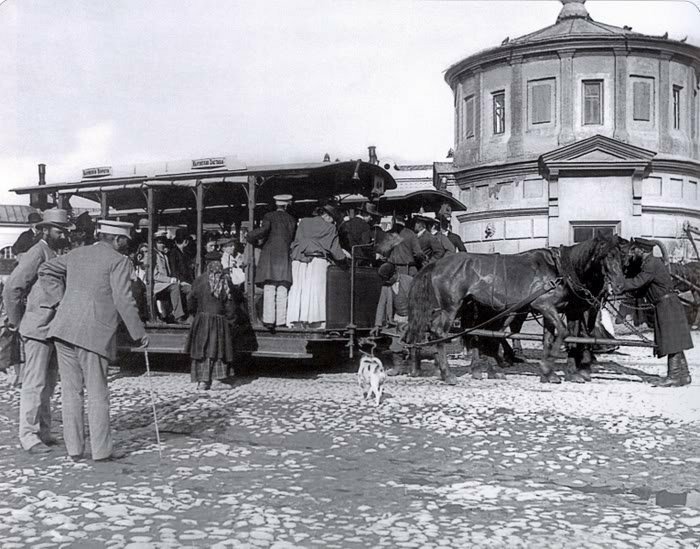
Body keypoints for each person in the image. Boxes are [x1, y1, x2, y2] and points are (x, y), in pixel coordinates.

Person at [38, 219, 148, 461]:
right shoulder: (119, 261)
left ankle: (74, 450)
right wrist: (138, 333)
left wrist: (60, 300)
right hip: (94, 333)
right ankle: (101, 452)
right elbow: (123, 300)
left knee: (71, 393)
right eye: (125, 241)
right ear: (117, 239)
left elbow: (45, 270)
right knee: (97, 393)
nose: (126, 245)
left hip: (63, 329)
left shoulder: (76, 253)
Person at [3, 209, 73, 454]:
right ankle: (28, 436)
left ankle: (44, 431)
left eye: (64, 230)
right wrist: (17, 321)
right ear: (45, 230)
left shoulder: (53, 252)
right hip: (36, 328)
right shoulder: (36, 253)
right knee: (34, 383)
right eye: (58, 230)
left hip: (53, 327)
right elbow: (12, 287)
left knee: (49, 383)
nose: (62, 234)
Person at [621, 237, 693, 387]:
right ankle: (684, 375)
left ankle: (673, 376)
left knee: (670, 340)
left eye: (636, 249)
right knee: (675, 339)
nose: (634, 252)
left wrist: (618, 284)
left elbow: (638, 282)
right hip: (667, 304)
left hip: (666, 305)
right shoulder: (649, 263)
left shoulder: (651, 264)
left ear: (643, 250)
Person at [185, 251, 239, 390]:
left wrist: (195, 313)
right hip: (220, 321)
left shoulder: (199, 280)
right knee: (218, 350)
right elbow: (230, 305)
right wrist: (231, 321)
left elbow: (190, 300)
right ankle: (217, 380)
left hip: (202, 319)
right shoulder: (225, 280)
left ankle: (202, 381)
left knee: (203, 349)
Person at [287, 205, 347, 328]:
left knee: (299, 288)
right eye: (333, 219)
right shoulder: (330, 228)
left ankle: (295, 319)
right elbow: (335, 250)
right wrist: (345, 260)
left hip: (298, 259)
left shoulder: (304, 222)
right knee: (316, 290)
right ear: (327, 216)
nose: (333, 222)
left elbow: (298, 239)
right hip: (317, 261)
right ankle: (316, 321)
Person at [246, 194, 296, 329]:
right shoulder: (291, 219)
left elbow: (264, 230)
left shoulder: (269, 216)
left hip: (270, 256)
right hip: (284, 256)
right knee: (282, 289)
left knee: (269, 288)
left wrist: (250, 236)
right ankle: (281, 321)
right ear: (287, 205)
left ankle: (269, 320)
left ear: (276, 204)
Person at [372, 262, 413, 376]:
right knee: (396, 343)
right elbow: (381, 304)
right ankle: (397, 368)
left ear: (395, 273)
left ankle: (413, 367)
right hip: (396, 318)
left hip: (411, 316)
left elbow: (417, 301)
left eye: (389, 278)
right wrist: (377, 324)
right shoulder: (386, 286)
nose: (388, 281)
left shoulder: (409, 281)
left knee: (413, 343)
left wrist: (413, 319)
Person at [153, 235, 188, 323]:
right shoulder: (153, 256)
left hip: (166, 284)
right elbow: (155, 275)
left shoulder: (164, 256)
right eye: (160, 243)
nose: (163, 245)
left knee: (187, 289)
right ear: (155, 243)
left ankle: (189, 314)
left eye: (164, 242)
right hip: (156, 284)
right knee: (174, 287)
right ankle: (178, 316)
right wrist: (170, 280)